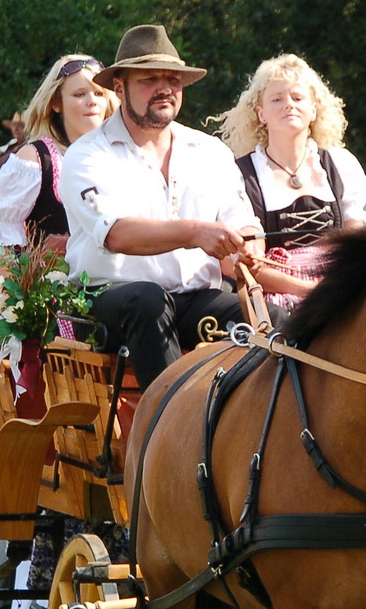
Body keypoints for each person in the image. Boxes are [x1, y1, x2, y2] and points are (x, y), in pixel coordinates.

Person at [61, 24, 261, 387]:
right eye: (149, 79)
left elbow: (243, 223)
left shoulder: (211, 151)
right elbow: (118, 234)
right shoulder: (86, 155)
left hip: (194, 301)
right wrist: (196, 232)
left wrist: (249, 246)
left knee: (270, 319)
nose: (165, 88)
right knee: (147, 301)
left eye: (173, 79)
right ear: (118, 88)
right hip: (112, 303)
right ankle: (170, 433)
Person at [217, 53, 366, 299]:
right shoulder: (240, 175)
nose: (289, 104)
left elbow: (357, 244)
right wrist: (305, 290)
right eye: (277, 99)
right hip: (274, 295)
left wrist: (337, 286)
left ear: (313, 110)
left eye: (298, 97)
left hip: (338, 286)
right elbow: (235, 262)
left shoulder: (341, 165)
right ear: (261, 114)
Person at [0, 56, 116, 257]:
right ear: (56, 103)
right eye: (80, 94)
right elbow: (0, 245)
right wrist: (5, 288)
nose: (92, 101)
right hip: (54, 285)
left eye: (99, 93)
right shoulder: (35, 159)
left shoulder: (122, 155)